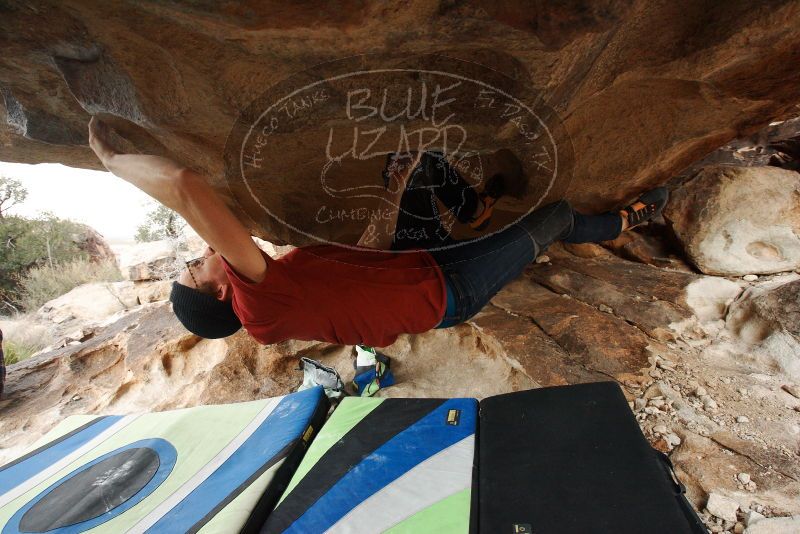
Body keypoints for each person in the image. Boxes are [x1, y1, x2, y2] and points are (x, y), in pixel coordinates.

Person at [87, 117, 667, 348]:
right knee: (556, 218)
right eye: (197, 267)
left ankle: (478, 209)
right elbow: (188, 186)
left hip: (415, 264)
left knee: (419, 164)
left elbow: (362, 258)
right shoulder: (258, 296)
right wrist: (113, 163)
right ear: (220, 292)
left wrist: (394, 189)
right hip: (449, 290)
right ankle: (631, 219)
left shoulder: (274, 296)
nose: (203, 254)